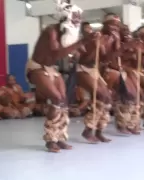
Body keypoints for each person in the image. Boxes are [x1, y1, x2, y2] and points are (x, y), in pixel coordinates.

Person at [25, 0, 93, 152]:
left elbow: (79, 54)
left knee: (64, 101)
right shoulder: (51, 30)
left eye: (79, 17)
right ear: (66, 16)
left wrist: (90, 44)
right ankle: (50, 140)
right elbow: (57, 53)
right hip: (37, 67)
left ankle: (60, 136)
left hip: (52, 68)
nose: (78, 20)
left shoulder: (70, 35)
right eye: (75, 16)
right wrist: (81, 42)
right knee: (56, 99)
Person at [77, 14, 119, 142]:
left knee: (107, 98)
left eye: (116, 25)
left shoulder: (111, 38)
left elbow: (108, 58)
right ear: (104, 24)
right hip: (83, 68)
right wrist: (96, 46)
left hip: (95, 70)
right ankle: (88, 130)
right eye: (111, 24)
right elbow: (85, 59)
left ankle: (100, 131)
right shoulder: (94, 36)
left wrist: (117, 44)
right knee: (100, 95)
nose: (114, 27)